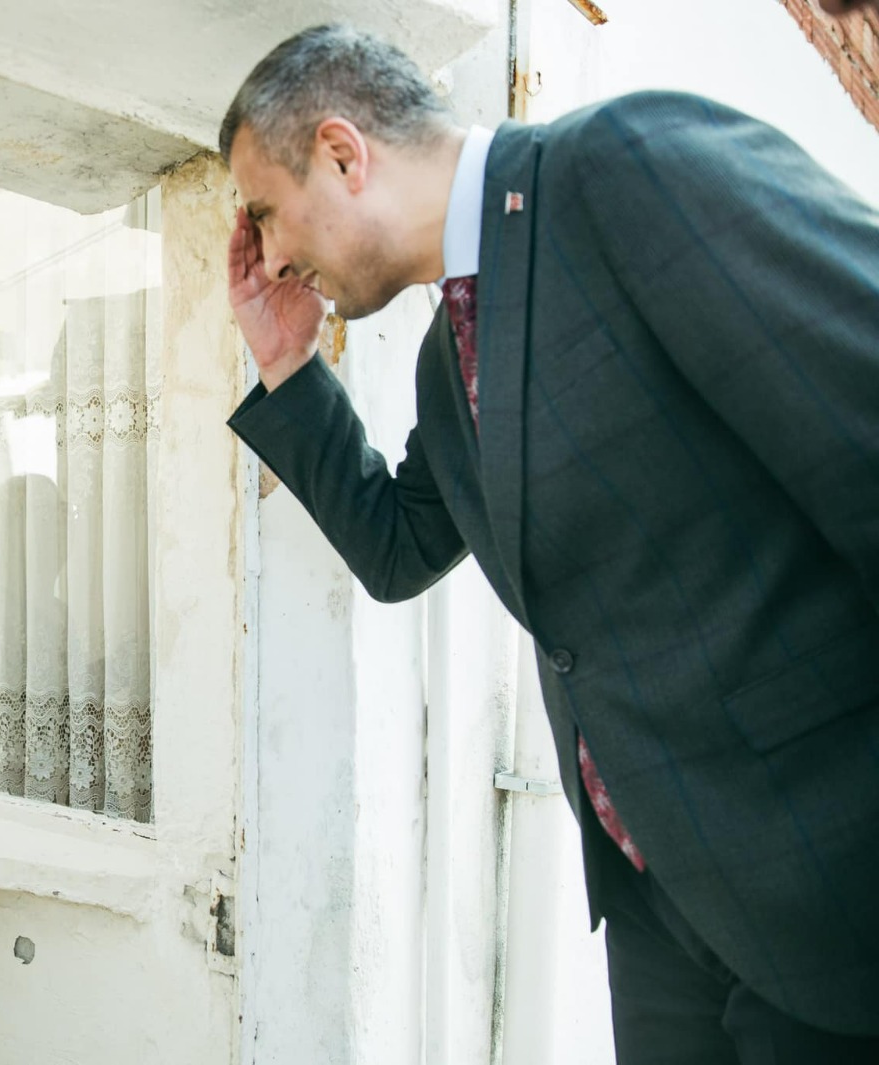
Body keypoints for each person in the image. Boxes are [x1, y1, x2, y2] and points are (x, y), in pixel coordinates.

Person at [220, 24, 879, 1063]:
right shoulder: (450, 362)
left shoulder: (628, 166)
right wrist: (286, 369)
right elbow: (397, 552)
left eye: (264, 210)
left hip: (828, 896)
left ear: (343, 154)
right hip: (658, 912)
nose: (270, 253)